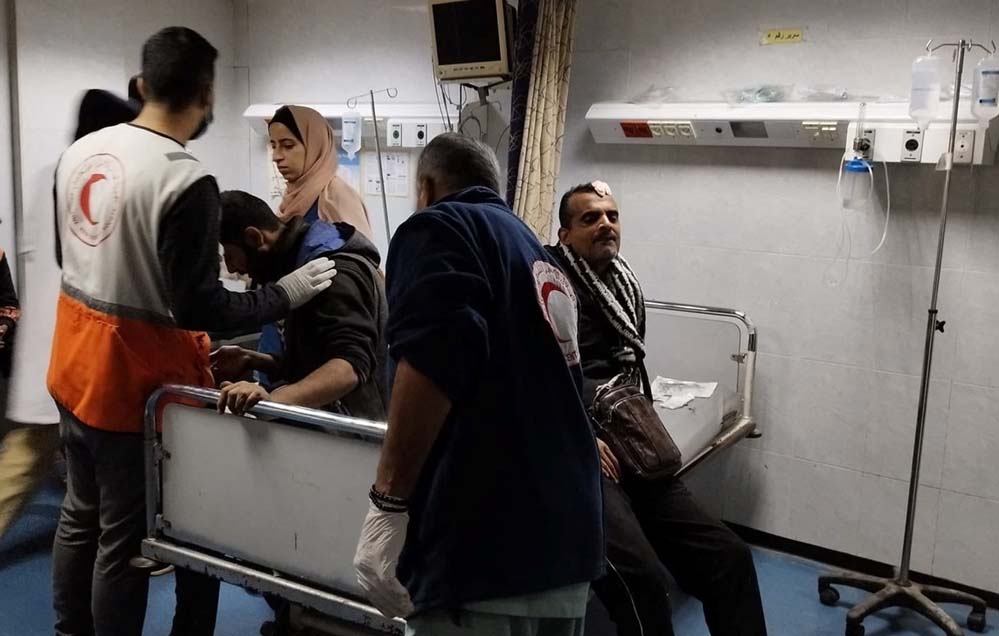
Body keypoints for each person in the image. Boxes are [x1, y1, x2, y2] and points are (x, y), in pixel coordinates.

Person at [48, 27, 336, 636]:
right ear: (206, 96)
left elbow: (65, 254)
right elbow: (200, 306)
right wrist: (284, 294)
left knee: (79, 515)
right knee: (123, 540)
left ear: (142, 84)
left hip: (70, 365)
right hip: (127, 385)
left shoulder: (83, 151)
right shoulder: (185, 179)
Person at [353, 133, 604, 636]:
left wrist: (388, 504)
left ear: (426, 187)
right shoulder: (537, 254)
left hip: (487, 543)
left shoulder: (439, 227)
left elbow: (435, 356)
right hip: (567, 539)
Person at [547, 181, 768, 636]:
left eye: (611, 215)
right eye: (590, 218)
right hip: (578, 451)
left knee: (729, 558)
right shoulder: (549, 288)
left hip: (629, 440)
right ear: (564, 235)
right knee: (644, 582)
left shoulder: (621, 284)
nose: (605, 224)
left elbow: (628, 368)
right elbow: (533, 377)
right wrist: (579, 436)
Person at [0, 88, 139, 544]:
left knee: (36, 458)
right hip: (71, 346)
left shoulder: (53, 172)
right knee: (31, 459)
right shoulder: (96, 183)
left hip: (51, 343)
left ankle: (104, 535)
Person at [212, 189, 387, 421]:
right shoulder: (299, 266)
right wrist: (252, 359)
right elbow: (313, 361)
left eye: (230, 255)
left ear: (254, 238)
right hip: (323, 426)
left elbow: (349, 368)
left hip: (349, 432)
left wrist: (274, 400)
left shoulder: (330, 272)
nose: (232, 268)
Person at [269, 104, 372, 236]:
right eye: (274, 146)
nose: (276, 157)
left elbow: (360, 248)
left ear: (315, 146)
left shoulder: (337, 196)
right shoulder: (291, 197)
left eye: (288, 146)